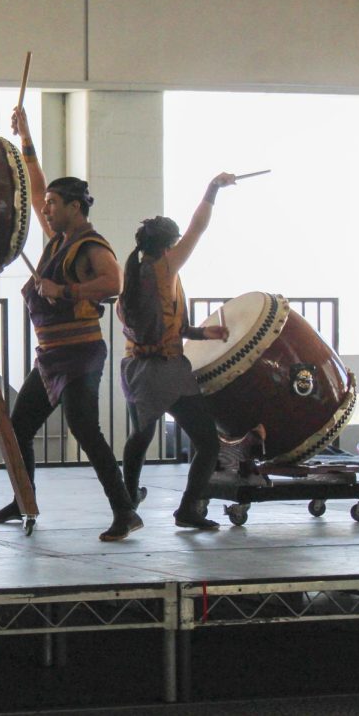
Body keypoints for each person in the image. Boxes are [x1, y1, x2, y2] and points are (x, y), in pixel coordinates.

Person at [0, 106, 142, 542]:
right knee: (18, 428)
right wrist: (26, 138)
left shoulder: (90, 244)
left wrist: (65, 292)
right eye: (47, 204)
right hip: (51, 356)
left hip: (80, 354)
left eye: (53, 204)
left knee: (86, 430)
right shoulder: (59, 238)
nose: (45, 210)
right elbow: (35, 188)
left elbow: (113, 282)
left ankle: (124, 510)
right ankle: (23, 499)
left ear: (75, 206)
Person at [117, 172, 237, 529]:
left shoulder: (135, 272)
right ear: (168, 246)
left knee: (141, 435)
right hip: (166, 372)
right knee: (207, 442)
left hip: (136, 370)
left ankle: (128, 495)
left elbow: (165, 323)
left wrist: (202, 333)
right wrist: (213, 189)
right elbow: (198, 227)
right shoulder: (166, 266)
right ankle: (188, 509)